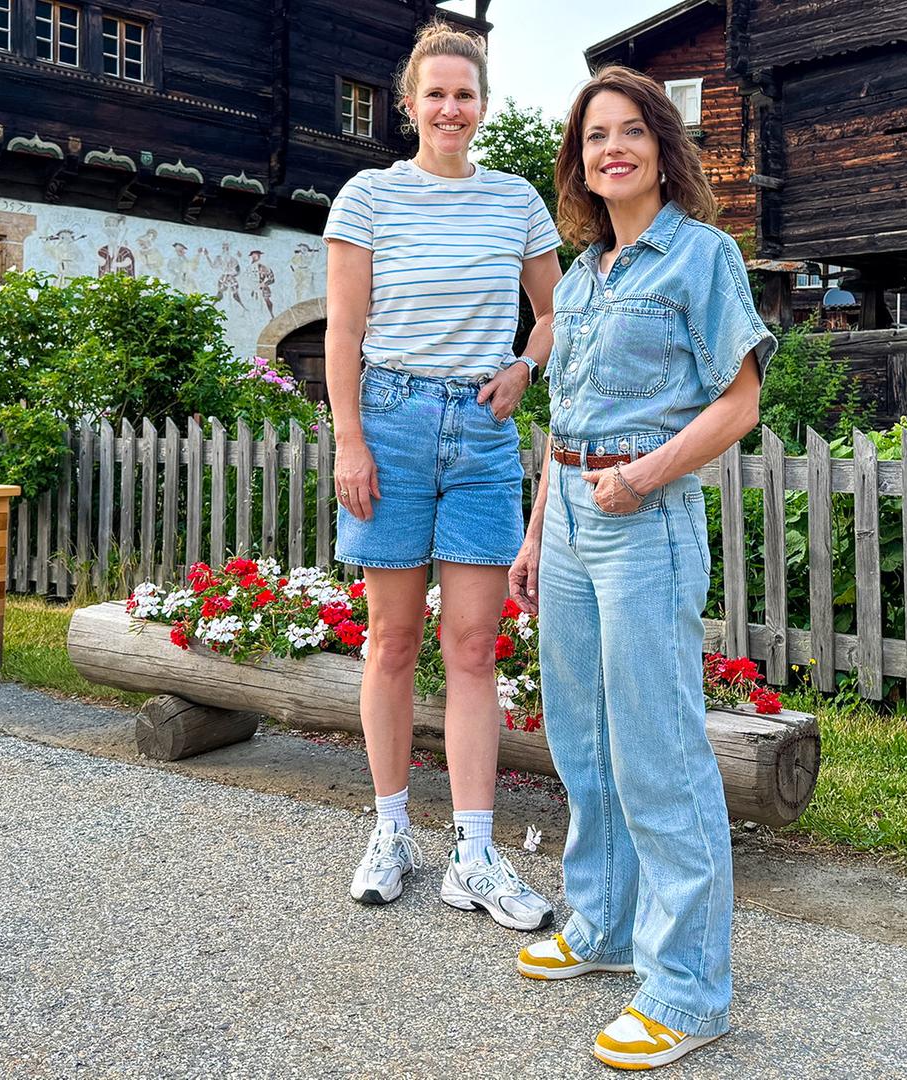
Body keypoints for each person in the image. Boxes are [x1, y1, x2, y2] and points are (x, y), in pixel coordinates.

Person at [508, 66, 776, 1071]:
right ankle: (606, 926)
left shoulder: (700, 258)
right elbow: (563, 423)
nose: (608, 149)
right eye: (592, 138)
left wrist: (645, 476)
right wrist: (540, 532)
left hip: (645, 518)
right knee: (583, 739)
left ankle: (691, 990)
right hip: (572, 517)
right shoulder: (580, 278)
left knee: (658, 750)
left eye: (628, 132)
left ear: (662, 149)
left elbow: (738, 403)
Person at [323, 20, 562, 930]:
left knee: (471, 648)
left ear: (483, 106)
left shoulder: (516, 201)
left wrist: (526, 368)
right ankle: (390, 830)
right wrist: (352, 440)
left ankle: (475, 851)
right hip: (389, 424)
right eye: (437, 94)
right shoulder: (368, 197)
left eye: (466, 94)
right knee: (391, 641)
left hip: (483, 431)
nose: (451, 108)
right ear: (409, 104)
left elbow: (554, 310)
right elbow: (342, 332)